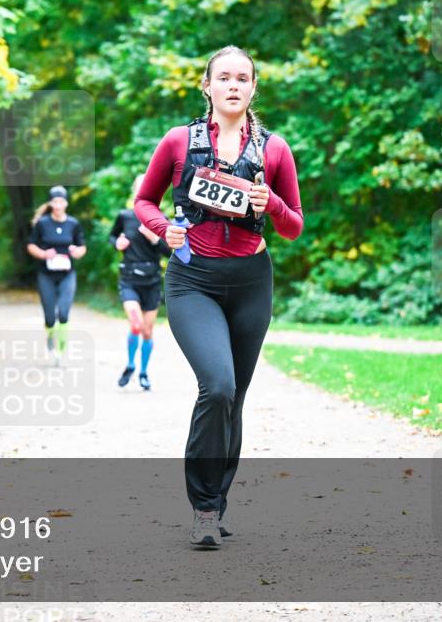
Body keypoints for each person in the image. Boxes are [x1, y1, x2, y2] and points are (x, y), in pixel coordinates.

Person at [134, 46, 304, 548]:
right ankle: (204, 509)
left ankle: (219, 502)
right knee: (219, 387)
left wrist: (268, 201)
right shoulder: (177, 141)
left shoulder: (274, 150)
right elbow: (145, 200)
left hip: (252, 281)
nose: (233, 85)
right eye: (223, 77)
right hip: (193, 281)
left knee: (236, 399)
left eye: (243, 78)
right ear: (206, 86)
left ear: (254, 88)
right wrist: (164, 227)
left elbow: (293, 225)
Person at [111, 175, 172, 391]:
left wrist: (154, 238)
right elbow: (112, 237)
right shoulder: (125, 216)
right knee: (135, 325)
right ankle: (129, 365)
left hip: (152, 280)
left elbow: (170, 251)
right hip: (129, 279)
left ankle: (144, 372)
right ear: (135, 192)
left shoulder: (161, 219)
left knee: (147, 331)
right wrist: (117, 242)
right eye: (140, 188)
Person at [26, 186, 87, 364]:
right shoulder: (43, 224)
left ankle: (60, 350)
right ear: (51, 203)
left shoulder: (73, 224)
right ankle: (51, 339)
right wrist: (44, 254)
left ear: (66, 203)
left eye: (61, 201)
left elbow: (82, 247)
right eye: (55, 201)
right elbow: (31, 246)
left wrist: (77, 251)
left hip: (67, 274)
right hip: (46, 274)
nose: (58, 205)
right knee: (50, 317)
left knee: (64, 313)